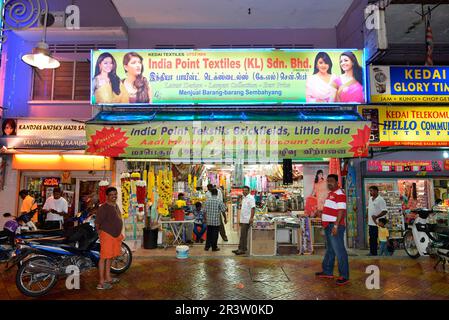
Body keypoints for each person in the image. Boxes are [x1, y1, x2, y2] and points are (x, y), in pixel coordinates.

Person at [315, 174, 350, 286]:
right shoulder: (331, 194)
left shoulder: (340, 194)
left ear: (337, 182)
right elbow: (332, 209)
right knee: (330, 249)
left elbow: (341, 211)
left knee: (339, 251)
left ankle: (344, 276)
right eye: (328, 181)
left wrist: (335, 226)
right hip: (328, 226)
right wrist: (322, 213)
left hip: (335, 227)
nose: (329, 183)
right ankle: (327, 271)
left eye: (331, 181)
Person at [95, 187, 124, 290]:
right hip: (107, 235)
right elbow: (97, 222)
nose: (114, 196)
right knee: (104, 258)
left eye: (115, 194)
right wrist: (100, 233)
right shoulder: (103, 207)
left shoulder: (115, 206)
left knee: (110, 257)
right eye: (111, 195)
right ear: (107, 196)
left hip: (115, 236)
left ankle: (108, 278)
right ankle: (101, 282)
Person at [233, 186, 255, 256]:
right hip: (243, 219)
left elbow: (253, 208)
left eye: (246, 190)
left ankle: (242, 250)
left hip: (247, 219)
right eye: (243, 190)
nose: (244, 191)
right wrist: (240, 220)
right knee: (242, 235)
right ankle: (240, 248)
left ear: (249, 191)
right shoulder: (244, 198)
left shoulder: (251, 198)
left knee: (243, 235)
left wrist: (251, 218)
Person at [367, 186, 388, 256]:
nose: (371, 192)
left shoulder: (380, 200)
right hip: (370, 223)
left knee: (379, 239)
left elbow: (384, 211)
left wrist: (376, 217)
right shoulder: (370, 199)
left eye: (372, 191)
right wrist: (367, 215)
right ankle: (372, 252)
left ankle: (378, 253)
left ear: (376, 191)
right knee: (371, 239)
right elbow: (369, 208)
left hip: (377, 223)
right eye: (370, 191)